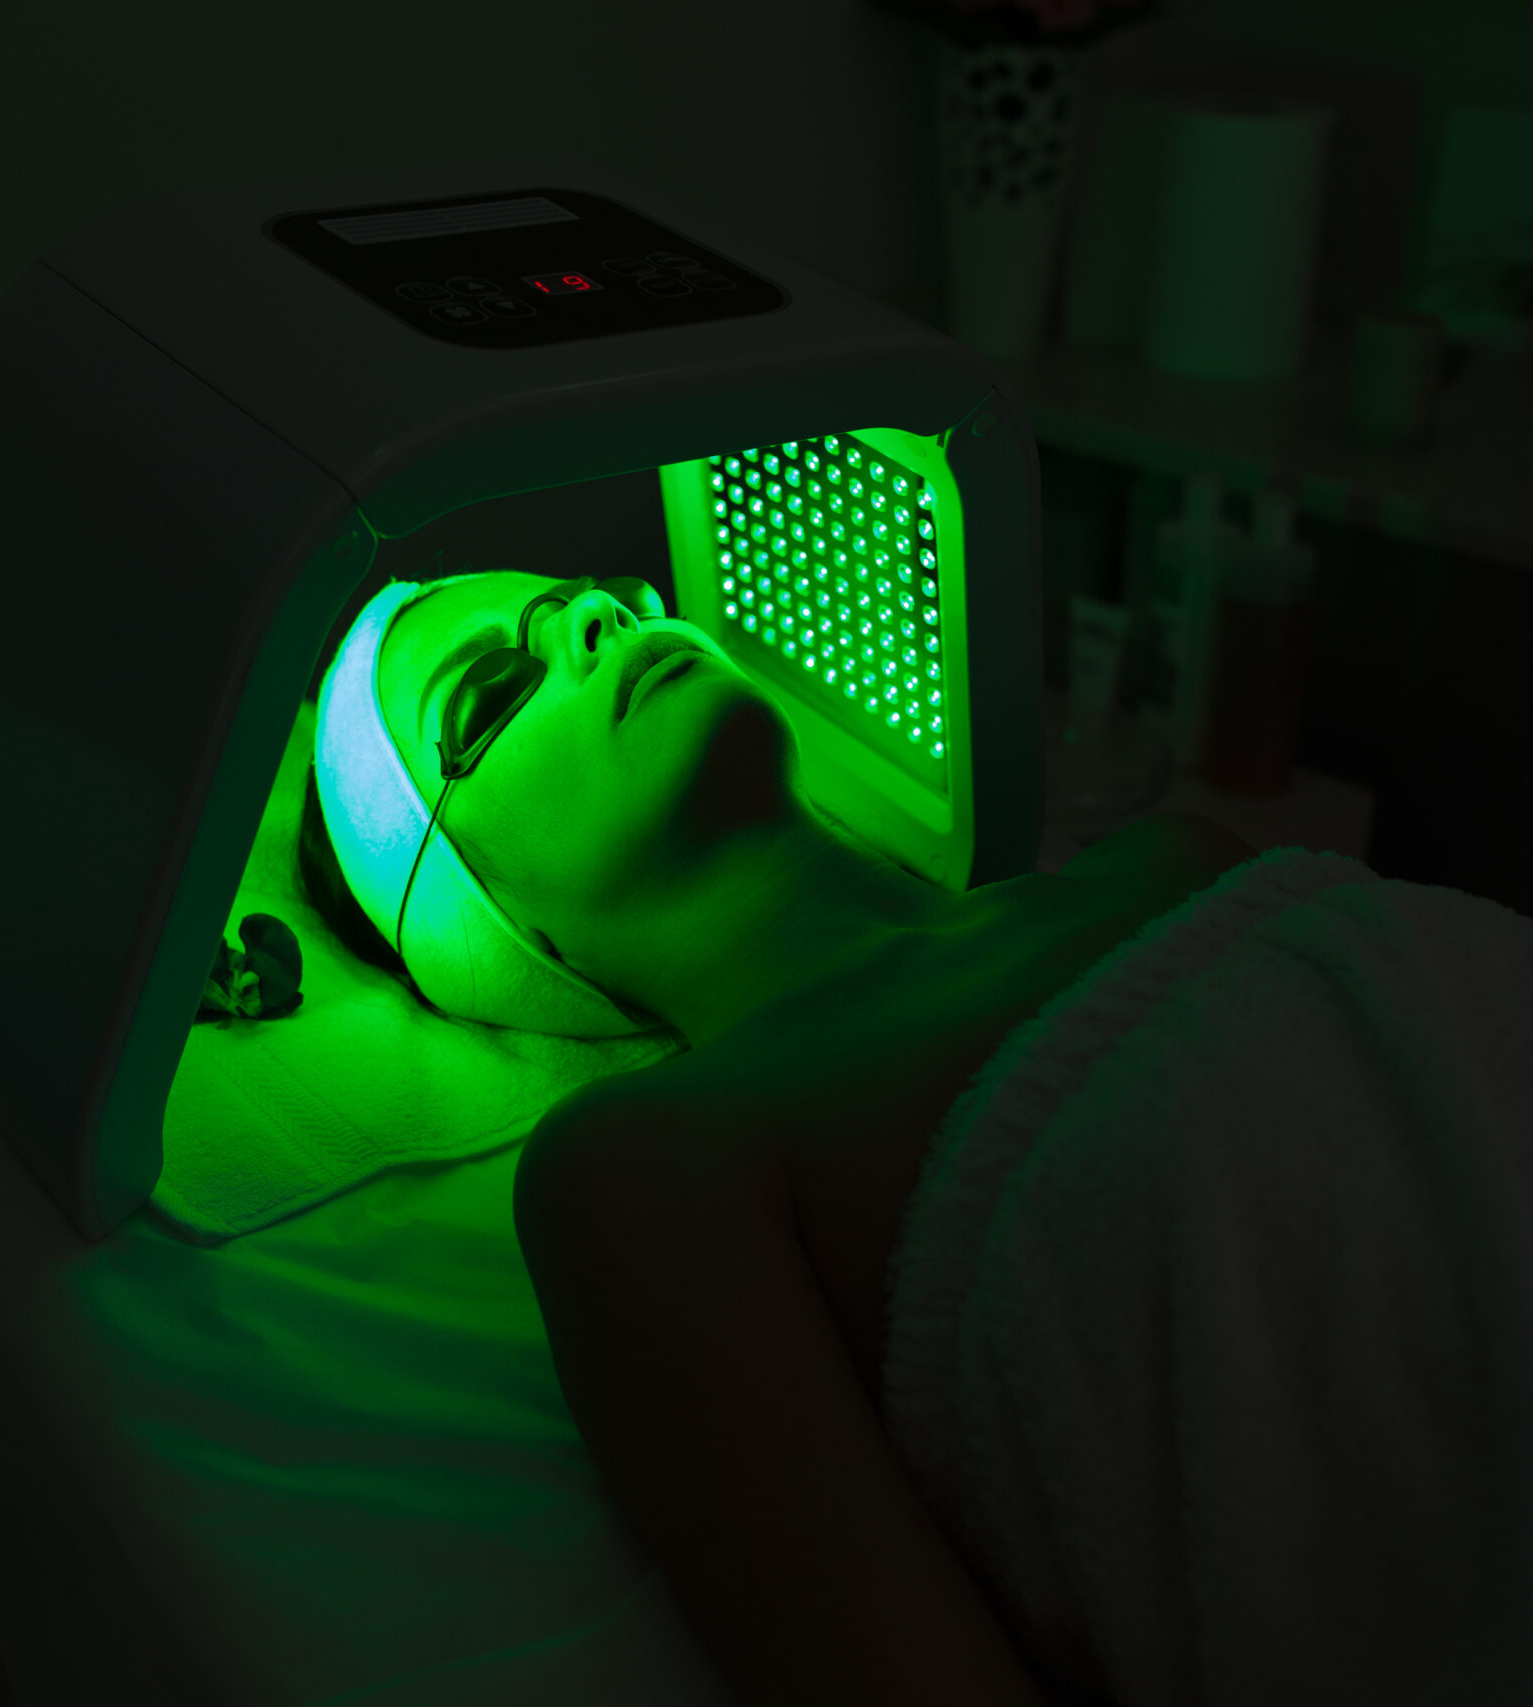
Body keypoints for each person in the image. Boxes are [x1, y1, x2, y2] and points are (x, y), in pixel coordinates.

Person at [304, 569, 1257, 1705]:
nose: (602, 621)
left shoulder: (1169, 864)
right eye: (496, 691)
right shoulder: (649, 1173)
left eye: (589, 599)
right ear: (496, 927)